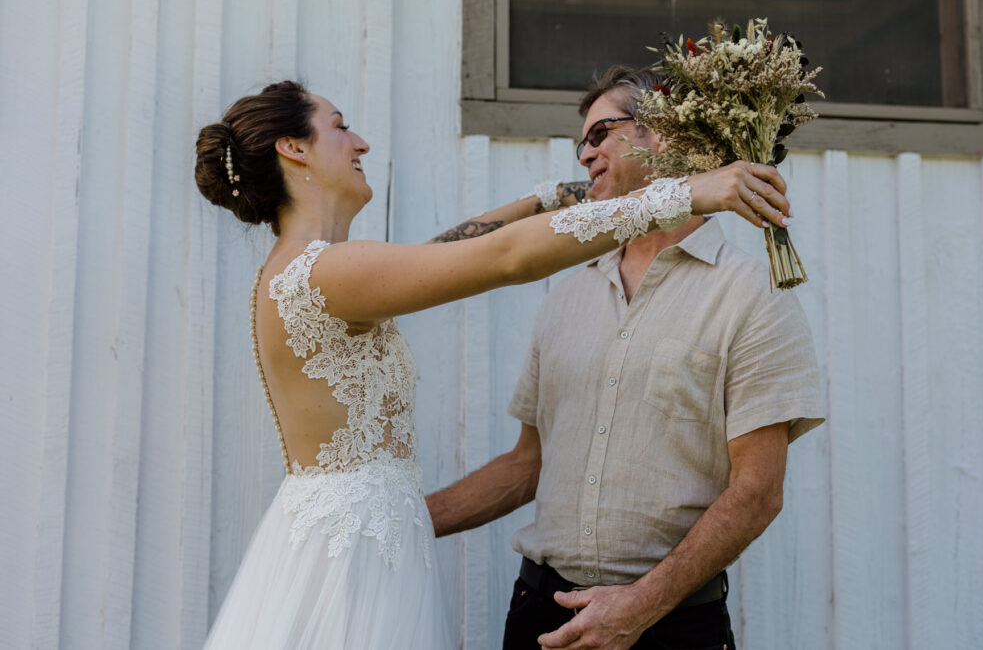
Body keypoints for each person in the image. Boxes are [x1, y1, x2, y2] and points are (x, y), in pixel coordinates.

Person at [193, 80, 792, 649]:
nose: (361, 143)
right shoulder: (324, 271)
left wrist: (549, 198)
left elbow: (442, 256)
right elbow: (503, 258)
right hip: (353, 557)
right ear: (294, 148)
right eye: (340, 127)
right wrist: (687, 193)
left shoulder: (321, 270)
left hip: (361, 538)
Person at [426, 65, 826, 650]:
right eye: (580, 142)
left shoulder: (750, 294)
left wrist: (640, 606)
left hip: (671, 627)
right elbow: (527, 465)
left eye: (598, 134)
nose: (584, 155)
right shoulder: (567, 291)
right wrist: (405, 522)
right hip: (541, 618)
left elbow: (758, 491)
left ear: (660, 133)